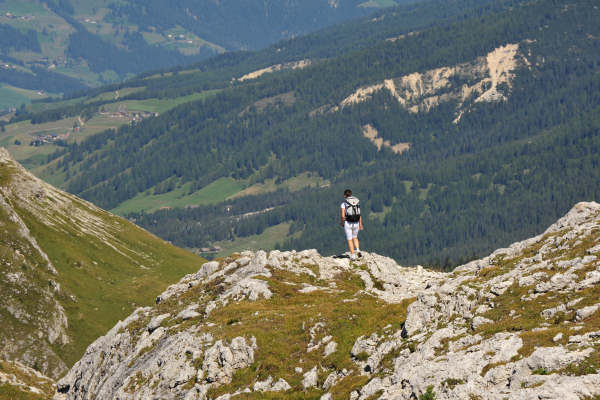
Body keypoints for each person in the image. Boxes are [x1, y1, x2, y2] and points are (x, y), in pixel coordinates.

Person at [340, 189, 363, 260]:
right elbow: (359, 214)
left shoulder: (344, 204)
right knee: (355, 237)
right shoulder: (356, 202)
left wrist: (342, 223)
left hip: (348, 223)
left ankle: (352, 255)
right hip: (356, 222)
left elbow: (343, 216)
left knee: (349, 239)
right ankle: (358, 250)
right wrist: (360, 224)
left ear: (345, 195)